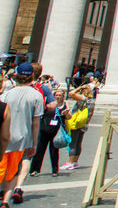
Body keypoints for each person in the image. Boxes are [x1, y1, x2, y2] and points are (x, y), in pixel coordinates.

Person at [2, 62, 41, 207]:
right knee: (15, 168)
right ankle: (9, 197)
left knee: (3, 166)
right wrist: (34, 143)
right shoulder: (36, 95)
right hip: (24, 137)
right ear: (32, 76)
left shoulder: (6, 94)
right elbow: (35, 122)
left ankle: (3, 192)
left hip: (5, 135)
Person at [29, 87, 64, 177]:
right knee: (40, 150)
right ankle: (35, 169)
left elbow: (67, 118)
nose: (58, 97)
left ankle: (55, 170)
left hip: (55, 131)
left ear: (63, 97)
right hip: (44, 129)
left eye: (60, 95)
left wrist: (66, 114)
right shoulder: (48, 105)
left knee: (54, 151)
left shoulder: (64, 106)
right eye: (56, 95)